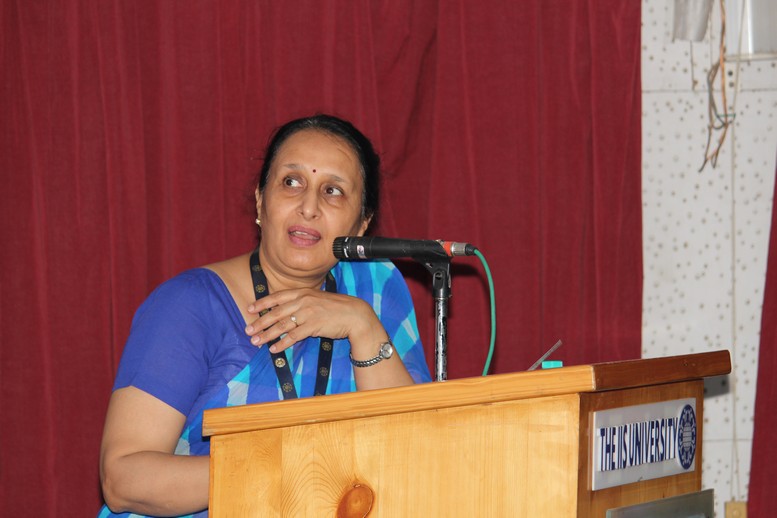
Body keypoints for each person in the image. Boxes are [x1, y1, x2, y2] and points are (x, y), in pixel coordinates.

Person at [98, 114, 431, 517]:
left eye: (332, 191)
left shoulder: (375, 290)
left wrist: (363, 326)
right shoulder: (190, 305)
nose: (308, 207)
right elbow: (123, 480)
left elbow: (413, 454)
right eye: (291, 182)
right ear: (260, 200)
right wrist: (281, 468)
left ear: (361, 224)